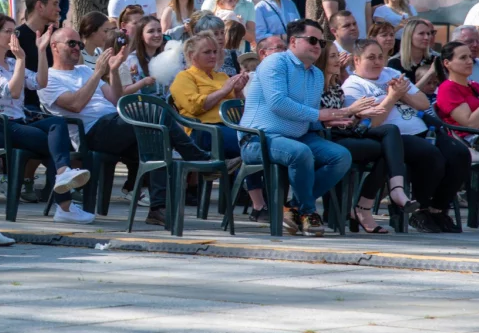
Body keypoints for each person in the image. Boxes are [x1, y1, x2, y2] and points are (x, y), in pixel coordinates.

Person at [39, 27, 210, 227]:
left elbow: (116, 98)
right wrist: (97, 74)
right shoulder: (48, 79)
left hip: (115, 123)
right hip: (92, 132)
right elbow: (75, 105)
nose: (77, 47)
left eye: (79, 44)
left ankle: (158, 208)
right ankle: (199, 160)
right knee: (155, 115)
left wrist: (112, 71)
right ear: (54, 47)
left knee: (158, 139)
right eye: (72, 43)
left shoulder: (84, 70)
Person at [0, 14, 93, 224]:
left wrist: (40, 51)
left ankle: (63, 178)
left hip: (18, 123)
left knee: (57, 123)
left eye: (15, 32)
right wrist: (21, 59)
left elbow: (41, 82)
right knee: (55, 146)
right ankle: (64, 204)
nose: (13, 36)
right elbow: (12, 91)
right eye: (8, 32)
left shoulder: (11, 62)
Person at [239, 19, 353, 237]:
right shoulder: (275, 63)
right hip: (258, 139)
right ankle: (308, 211)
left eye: (321, 41)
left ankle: (293, 208)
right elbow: (278, 103)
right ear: (293, 41)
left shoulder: (317, 74)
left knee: (341, 156)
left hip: (297, 137)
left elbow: (306, 114)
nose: (318, 45)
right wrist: (319, 114)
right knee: (300, 152)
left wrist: (326, 121)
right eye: (312, 40)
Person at [344, 39, 470, 233]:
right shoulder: (354, 86)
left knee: (460, 154)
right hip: (393, 137)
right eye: (371, 57)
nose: (378, 62)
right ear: (357, 60)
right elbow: (373, 124)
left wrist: (403, 95)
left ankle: (438, 209)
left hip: (422, 128)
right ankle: (420, 210)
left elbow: (422, 103)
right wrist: (392, 97)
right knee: (431, 156)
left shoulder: (392, 73)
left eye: (380, 56)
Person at [315, 41, 417, 234]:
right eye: (333, 56)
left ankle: (393, 191)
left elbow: (349, 120)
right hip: (329, 138)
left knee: (391, 131)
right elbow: (318, 118)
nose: (340, 60)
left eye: (338, 55)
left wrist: (359, 115)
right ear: (322, 60)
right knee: (388, 150)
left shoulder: (337, 86)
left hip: (347, 130)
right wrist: (352, 112)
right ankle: (364, 207)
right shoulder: (315, 85)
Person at [170, 32, 267, 221]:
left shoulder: (222, 76)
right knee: (254, 146)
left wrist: (237, 92)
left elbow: (239, 111)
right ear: (192, 56)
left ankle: (261, 204)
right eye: (207, 52)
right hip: (204, 133)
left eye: (215, 51)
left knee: (260, 145)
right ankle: (259, 205)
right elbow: (195, 107)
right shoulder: (184, 78)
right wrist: (224, 91)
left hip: (230, 129)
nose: (213, 56)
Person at [15, 0, 59, 107]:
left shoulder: (57, 35)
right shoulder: (16, 38)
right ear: (40, 6)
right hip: (30, 106)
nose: (59, 9)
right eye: (55, 4)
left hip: (61, 100)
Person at [436, 40, 479, 143]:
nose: (470, 61)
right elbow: (471, 124)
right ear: (447, 63)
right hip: (470, 140)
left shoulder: (474, 85)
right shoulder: (447, 89)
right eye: (463, 58)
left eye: (470, 57)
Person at [388, 18, 437, 86]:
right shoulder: (395, 63)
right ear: (409, 36)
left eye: (428, 34)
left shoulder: (434, 60)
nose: (427, 37)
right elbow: (406, 94)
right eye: (421, 33)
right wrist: (430, 73)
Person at [125, 15, 165, 97]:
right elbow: (127, 92)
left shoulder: (164, 58)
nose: (157, 35)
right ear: (141, 36)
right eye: (151, 31)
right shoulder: (132, 60)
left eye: (159, 30)